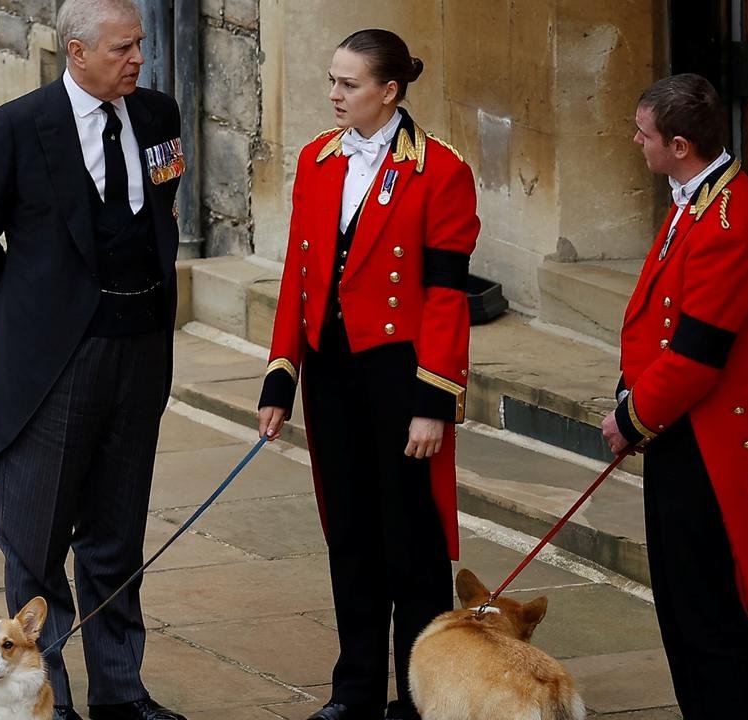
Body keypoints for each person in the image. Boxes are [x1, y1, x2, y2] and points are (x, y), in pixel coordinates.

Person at [0, 0, 188, 718]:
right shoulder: (21, 127)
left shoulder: (157, 115)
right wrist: (30, 319)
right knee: (37, 541)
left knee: (116, 537)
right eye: (123, 48)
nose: (138, 59)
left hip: (138, 352)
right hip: (56, 366)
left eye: (141, 45)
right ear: (76, 52)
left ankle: (121, 694)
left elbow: (163, 210)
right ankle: (45, 704)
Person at [256, 29, 480, 720]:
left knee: (411, 544)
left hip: (400, 376)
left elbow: (446, 295)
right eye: (332, 80)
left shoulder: (440, 170)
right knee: (349, 535)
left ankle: (419, 698)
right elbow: (299, 273)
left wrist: (432, 401)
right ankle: (353, 692)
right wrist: (281, 375)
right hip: (331, 374)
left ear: (390, 91)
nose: (334, 94)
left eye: (349, 85)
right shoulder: (318, 161)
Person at [600, 73, 748, 719]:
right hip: (680, 432)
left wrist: (631, 417)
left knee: (707, 615)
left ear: (679, 144)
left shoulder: (728, 217)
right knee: (680, 606)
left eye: (644, 133)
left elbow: (698, 355)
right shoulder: (699, 198)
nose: (636, 142)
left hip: (709, 443)